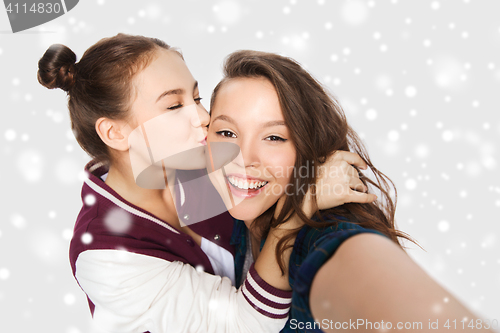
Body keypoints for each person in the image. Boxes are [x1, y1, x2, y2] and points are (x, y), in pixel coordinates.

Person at [37, 34, 374, 333]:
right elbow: (245, 325)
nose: (202, 118)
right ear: (116, 133)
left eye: (196, 98)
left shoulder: (201, 165)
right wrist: (298, 212)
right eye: (174, 105)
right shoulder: (106, 256)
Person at [207, 50, 493, 332]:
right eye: (226, 133)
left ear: (308, 148)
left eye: (274, 137)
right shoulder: (218, 220)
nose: (243, 158)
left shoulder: (328, 237)